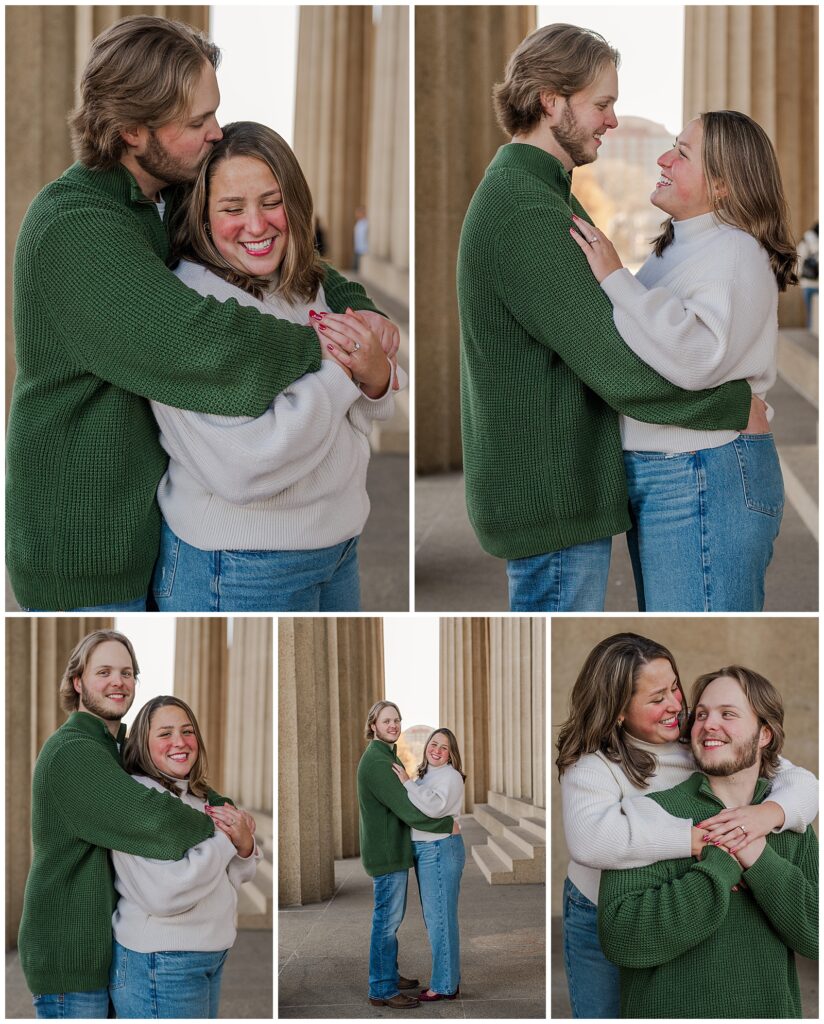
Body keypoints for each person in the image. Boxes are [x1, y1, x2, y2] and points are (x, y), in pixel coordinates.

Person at [6, 14, 398, 612]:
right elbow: (202, 341)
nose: (217, 132)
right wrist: (338, 352)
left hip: (149, 529)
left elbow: (297, 265)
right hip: (88, 550)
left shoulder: (154, 205)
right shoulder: (76, 226)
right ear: (134, 130)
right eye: (198, 121)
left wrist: (357, 305)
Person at [457, 23, 763, 613]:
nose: (612, 120)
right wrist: (730, 406)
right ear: (551, 101)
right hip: (554, 505)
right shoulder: (523, 206)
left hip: (561, 495)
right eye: (602, 104)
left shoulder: (541, 190)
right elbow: (616, 364)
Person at [149, 122, 405, 611]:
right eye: (232, 208)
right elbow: (248, 465)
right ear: (201, 216)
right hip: (241, 562)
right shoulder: (187, 303)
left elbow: (367, 418)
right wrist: (347, 373)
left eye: (272, 201)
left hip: (339, 548)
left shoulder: (303, 286)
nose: (257, 224)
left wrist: (374, 381)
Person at [571, 110, 795, 610]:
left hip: (703, 470)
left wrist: (614, 278)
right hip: (679, 470)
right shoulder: (683, 248)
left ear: (722, 186)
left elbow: (695, 358)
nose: (663, 159)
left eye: (683, 153)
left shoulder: (735, 251)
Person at [555, 633, 818, 1019]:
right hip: (596, 902)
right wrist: (704, 842)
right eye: (656, 698)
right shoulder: (594, 765)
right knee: (604, 1010)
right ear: (618, 711)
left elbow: (802, 782)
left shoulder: (695, 742)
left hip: (677, 887)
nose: (676, 705)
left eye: (675, 688)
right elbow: (591, 841)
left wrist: (768, 815)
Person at [17, 630, 231, 1019]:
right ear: (78, 682)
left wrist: (221, 804)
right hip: (71, 955)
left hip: (103, 947)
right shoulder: (74, 752)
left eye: (127, 672)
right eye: (104, 672)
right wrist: (229, 831)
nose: (118, 681)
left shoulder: (113, 747)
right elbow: (157, 819)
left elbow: (187, 788)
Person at [110, 697, 260, 1018]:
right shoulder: (136, 798)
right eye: (165, 733)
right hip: (161, 960)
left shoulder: (201, 797)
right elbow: (165, 894)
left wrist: (244, 846)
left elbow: (235, 876)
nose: (180, 742)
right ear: (143, 743)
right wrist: (225, 841)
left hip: (211, 954)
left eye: (187, 731)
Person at [357, 701, 457, 1010]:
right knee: (387, 921)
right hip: (387, 854)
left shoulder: (385, 755)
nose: (394, 725)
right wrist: (446, 824)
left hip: (391, 850)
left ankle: (388, 973)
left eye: (397, 720)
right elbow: (406, 808)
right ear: (373, 725)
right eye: (387, 720)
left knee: (389, 919)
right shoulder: (376, 761)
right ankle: (382, 988)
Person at [391, 728, 466, 1001]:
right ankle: (449, 979)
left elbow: (433, 809)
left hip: (440, 849)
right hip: (428, 849)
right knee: (436, 918)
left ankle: (445, 985)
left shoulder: (451, 776)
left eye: (444, 747)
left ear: (451, 753)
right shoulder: (426, 775)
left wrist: (407, 783)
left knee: (440, 920)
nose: (436, 750)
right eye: (433, 744)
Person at [797, 221, 818, 329]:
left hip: (807, 283)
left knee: (810, 313)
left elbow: (799, 261)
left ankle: (811, 332)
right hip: (818, 284)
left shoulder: (805, 241)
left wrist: (800, 276)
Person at [354, 205, 368, 271]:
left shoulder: (366, 223)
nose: (356, 215)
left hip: (363, 249)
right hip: (357, 248)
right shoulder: (359, 223)